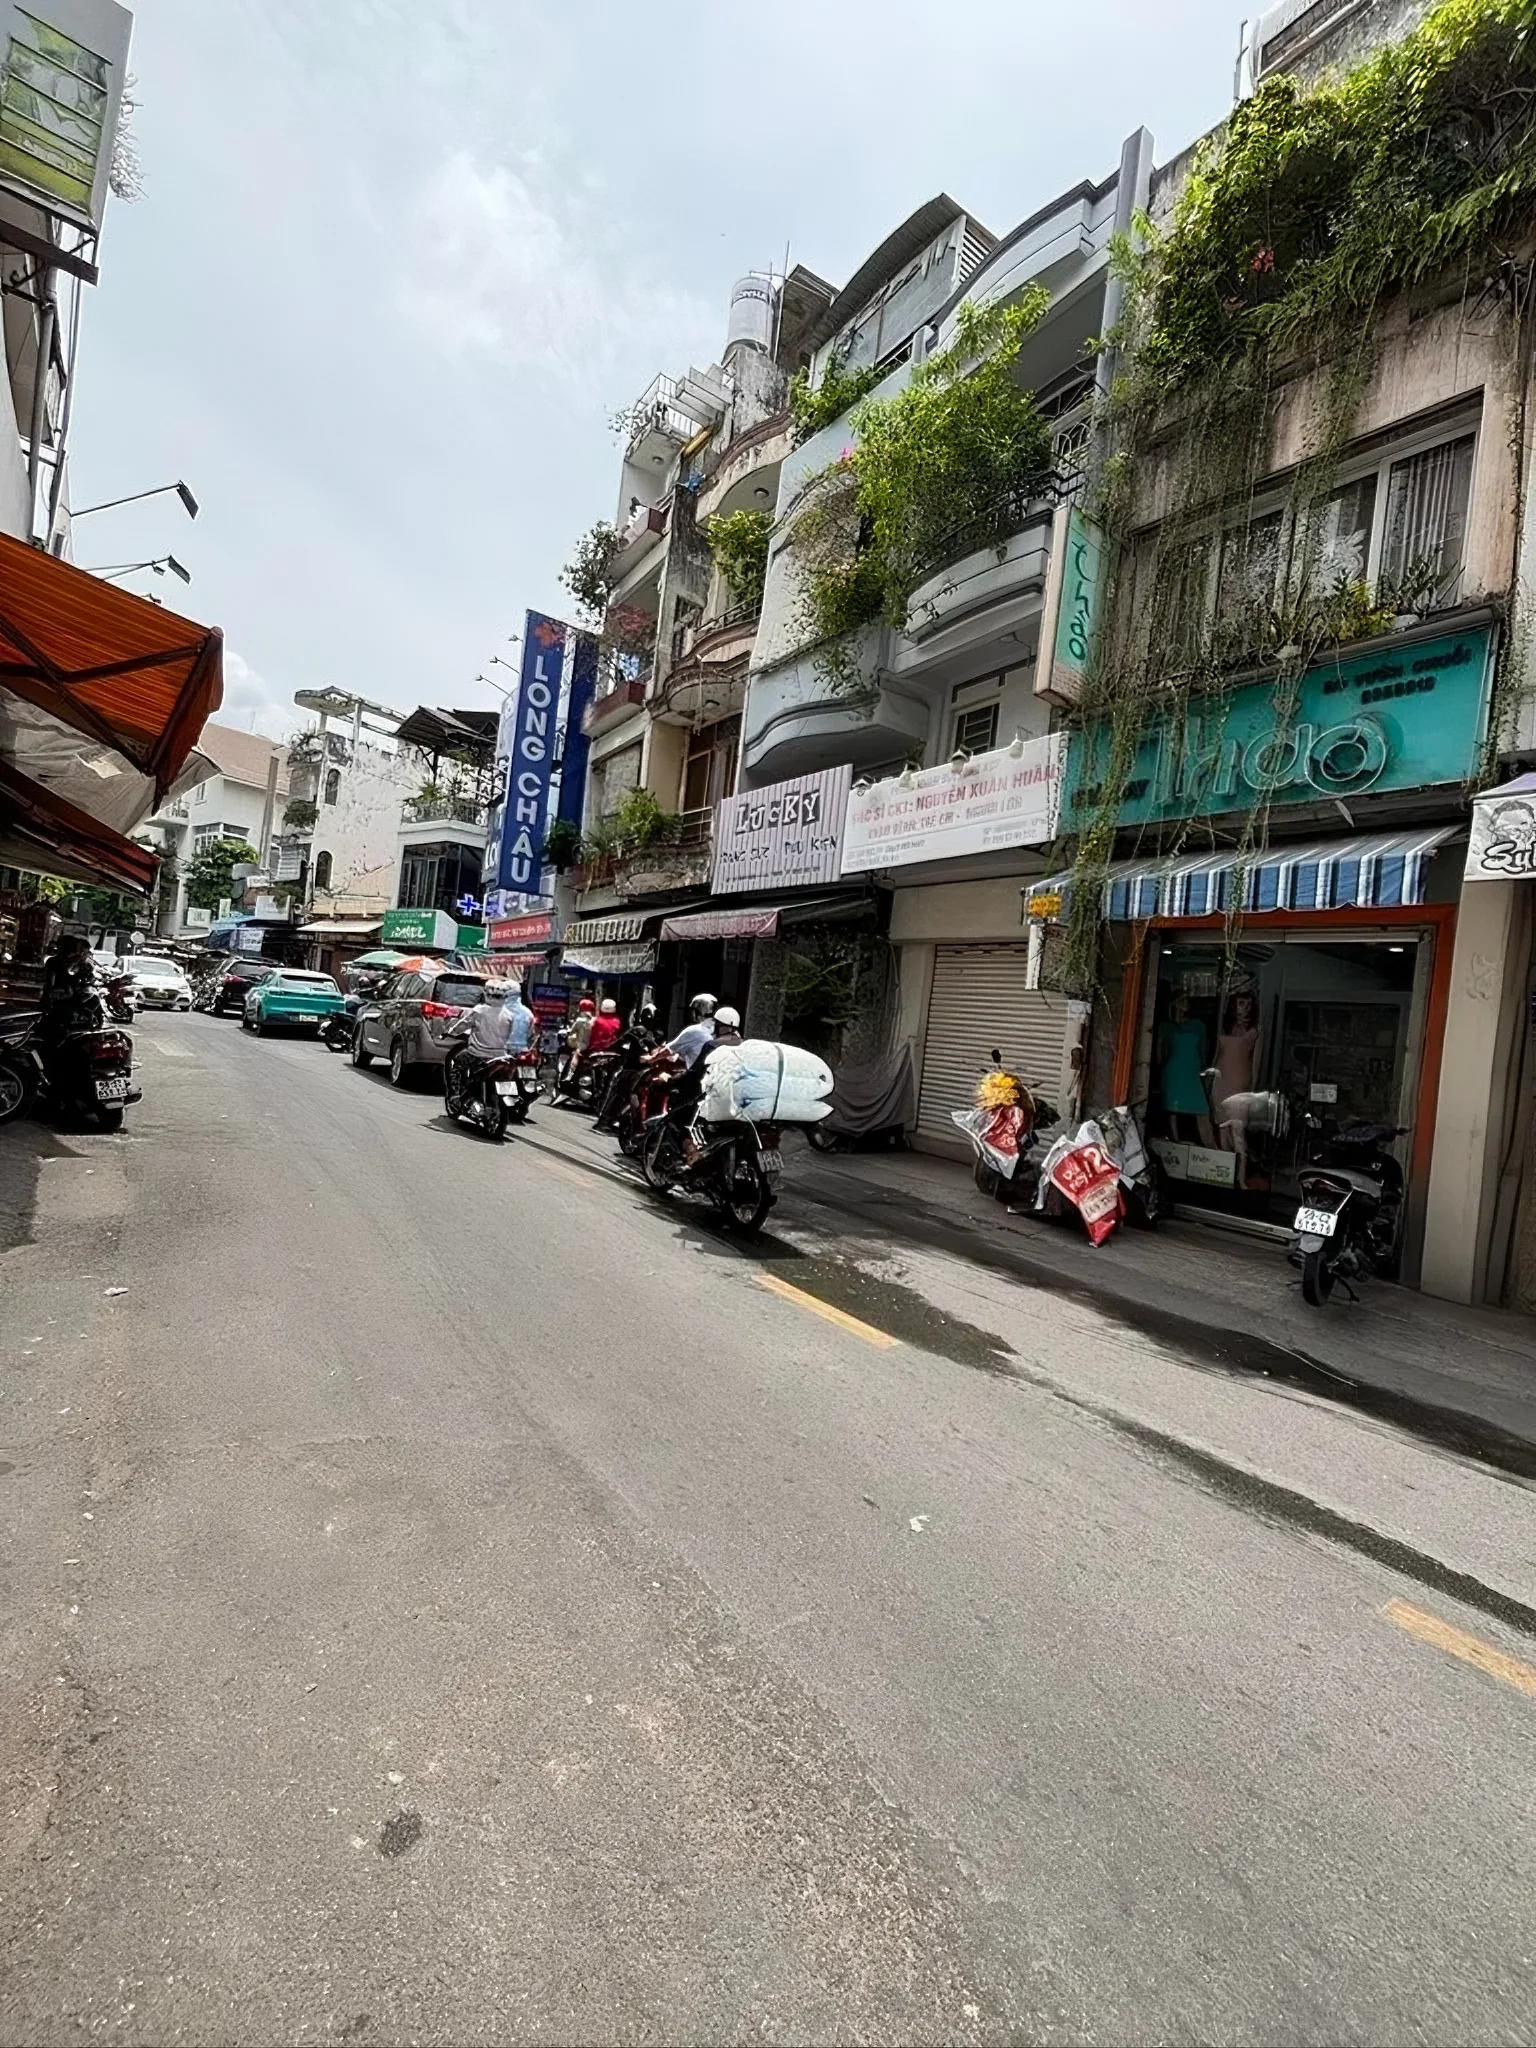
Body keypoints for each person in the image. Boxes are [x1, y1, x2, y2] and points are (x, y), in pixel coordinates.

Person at [443, 978, 515, 1096]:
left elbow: (462, 1025)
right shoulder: (509, 1015)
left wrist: (450, 1033)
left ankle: (455, 1094)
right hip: (501, 1056)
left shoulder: (479, 1011)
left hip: (478, 1053)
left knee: (456, 1063)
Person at [596, 1002, 660, 1129]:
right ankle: (606, 1119)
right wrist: (636, 1056)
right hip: (632, 1068)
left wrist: (653, 1056)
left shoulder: (654, 1034)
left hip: (643, 1070)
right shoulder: (637, 1031)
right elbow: (620, 1045)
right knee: (620, 1093)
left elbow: (656, 1049)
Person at [499, 982, 536, 1054]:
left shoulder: (499, 1011)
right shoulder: (528, 1013)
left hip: (502, 1050)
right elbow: (530, 1032)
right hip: (522, 1050)